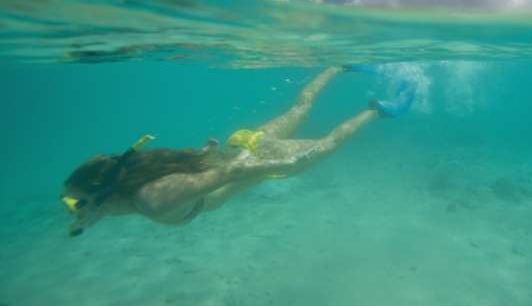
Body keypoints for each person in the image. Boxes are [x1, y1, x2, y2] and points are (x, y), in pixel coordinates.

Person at [60, 66, 414, 237]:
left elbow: (229, 174)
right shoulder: (131, 178)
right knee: (298, 109)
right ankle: (337, 65)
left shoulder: (152, 200)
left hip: (251, 159)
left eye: (75, 204)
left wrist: (284, 162)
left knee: (330, 142)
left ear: (101, 192)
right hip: (239, 146)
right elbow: (196, 171)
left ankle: (381, 110)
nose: (73, 213)